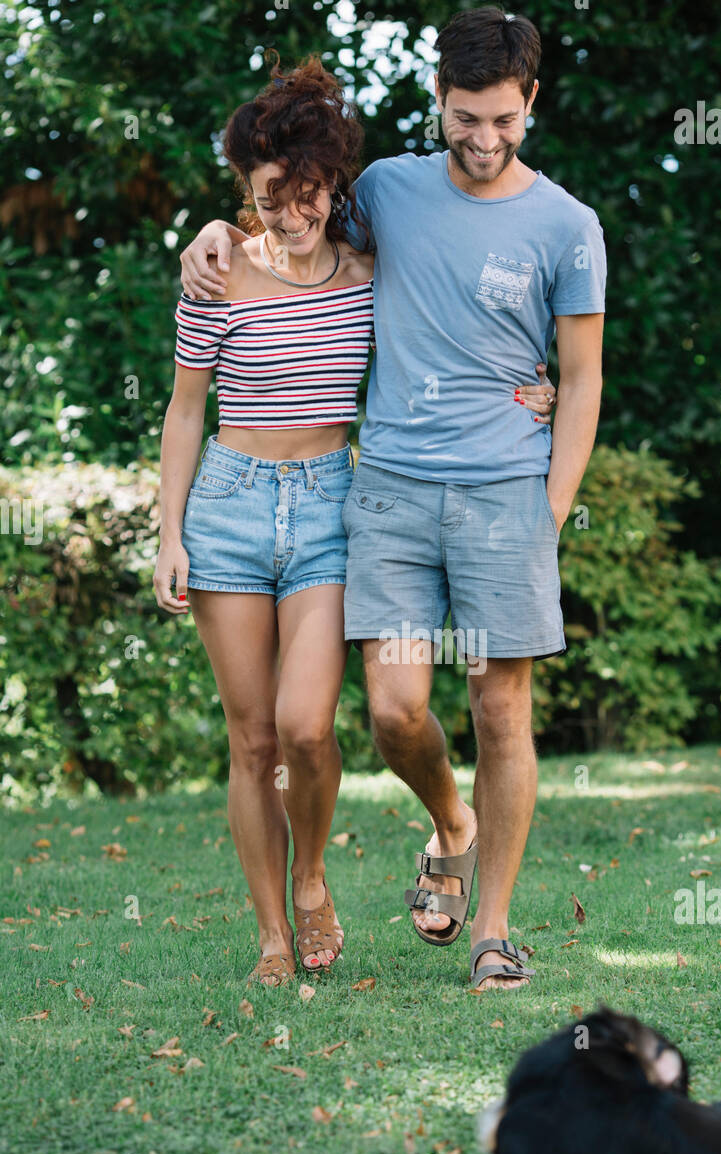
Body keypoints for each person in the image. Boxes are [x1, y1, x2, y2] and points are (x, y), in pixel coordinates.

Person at [158, 51, 554, 986]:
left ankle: (313, 876)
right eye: (266, 199)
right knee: (250, 740)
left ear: (334, 187)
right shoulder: (215, 278)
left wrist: (532, 385)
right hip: (228, 507)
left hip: (337, 505)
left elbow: (453, 326)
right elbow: (183, 410)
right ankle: (270, 935)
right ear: (245, 192)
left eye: (308, 198)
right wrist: (169, 533)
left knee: (305, 726)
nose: (290, 219)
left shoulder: (370, 273)